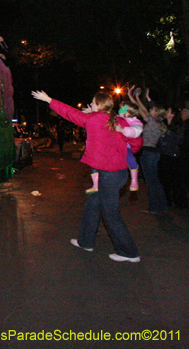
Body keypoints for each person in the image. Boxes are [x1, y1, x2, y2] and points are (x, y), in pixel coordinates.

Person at [32, 90, 142, 262]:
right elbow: (136, 144)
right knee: (92, 204)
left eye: (92, 102)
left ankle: (129, 252)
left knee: (110, 214)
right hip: (118, 173)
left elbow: (70, 113)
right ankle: (86, 241)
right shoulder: (118, 120)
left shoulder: (94, 120)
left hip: (108, 175)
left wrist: (49, 100)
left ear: (98, 105)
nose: (90, 104)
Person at [85, 102, 142, 194]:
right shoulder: (117, 118)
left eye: (122, 109)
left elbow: (137, 130)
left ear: (128, 112)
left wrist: (123, 130)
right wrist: (92, 112)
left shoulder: (134, 121)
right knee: (95, 160)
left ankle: (134, 181)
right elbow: (104, 117)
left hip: (125, 146)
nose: (119, 110)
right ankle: (95, 185)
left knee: (130, 158)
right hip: (112, 145)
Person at [129, 86, 169, 214]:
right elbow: (143, 109)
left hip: (148, 153)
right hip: (154, 153)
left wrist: (138, 98)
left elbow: (142, 110)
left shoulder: (151, 121)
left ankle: (154, 208)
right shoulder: (159, 123)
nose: (150, 110)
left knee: (150, 182)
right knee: (155, 181)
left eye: (153, 109)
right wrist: (141, 98)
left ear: (156, 113)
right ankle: (163, 206)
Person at [158, 105, 184, 208]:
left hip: (173, 157)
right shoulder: (164, 125)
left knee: (174, 181)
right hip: (164, 155)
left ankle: (178, 202)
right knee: (164, 180)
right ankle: (167, 201)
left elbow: (179, 141)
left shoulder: (179, 127)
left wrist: (167, 133)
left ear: (173, 114)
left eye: (168, 111)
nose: (166, 112)